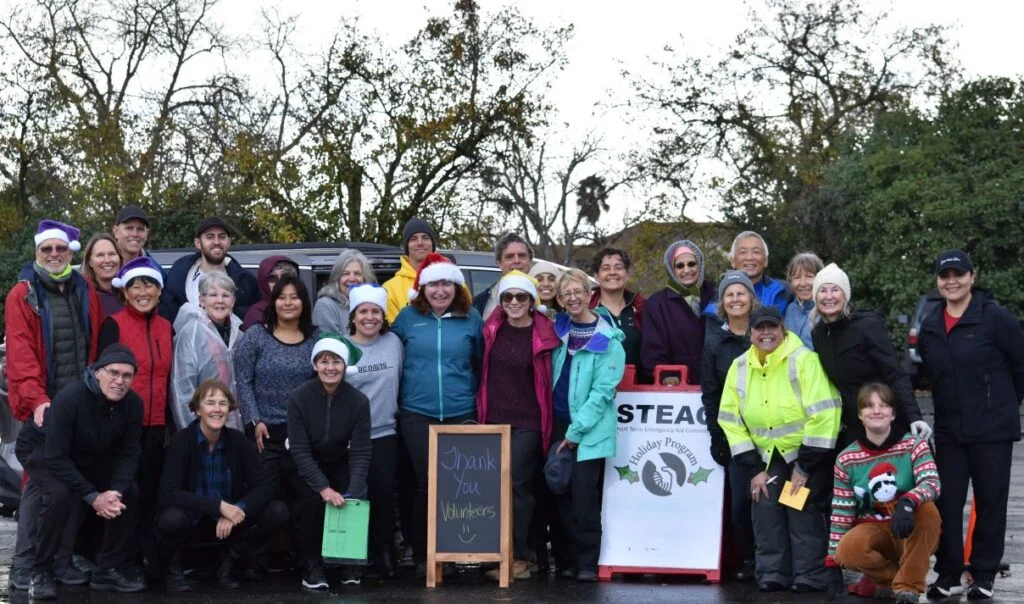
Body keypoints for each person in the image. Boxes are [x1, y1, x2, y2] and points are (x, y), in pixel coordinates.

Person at [917, 250, 1024, 600]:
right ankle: (947, 574)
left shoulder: (996, 318)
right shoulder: (931, 322)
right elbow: (923, 374)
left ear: (972, 277)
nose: (952, 281)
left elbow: (1020, 367)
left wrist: (1004, 405)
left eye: (958, 274)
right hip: (949, 429)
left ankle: (983, 575)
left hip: (992, 429)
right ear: (938, 281)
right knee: (946, 502)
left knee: (990, 502)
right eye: (945, 275)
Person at [717, 306, 841, 592]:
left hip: (804, 453)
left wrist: (805, 466)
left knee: (799, 507)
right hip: (765, 456)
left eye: (772, 327)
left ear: (782, 330)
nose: (766, 333)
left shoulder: (805, 361)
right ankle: (773, 574)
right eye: (759, 328)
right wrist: (754, 470)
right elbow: (730, 420)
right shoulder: (739, 367)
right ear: (750, 334)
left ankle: (809, 575)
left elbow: (825, 414)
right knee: (765, 506)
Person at [5, 219, 95, 592]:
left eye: (61, 249)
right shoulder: (23, 294)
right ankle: (23, 567)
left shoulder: (81, 288)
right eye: (47, 250)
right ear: (37, 253)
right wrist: (37, 401)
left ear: (71, 253)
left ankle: (59, 561)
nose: (55, 255)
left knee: (72, 485)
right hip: (43, 408)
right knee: (38, 489)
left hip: (78, 407)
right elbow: (22, 355)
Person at [23, 344, 145, 598]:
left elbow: (129, 453)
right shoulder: (71, 398)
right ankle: (41, 570)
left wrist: (114, 491)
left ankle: (108, 569)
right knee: (60, 495)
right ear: (98, 372)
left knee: (129, 492)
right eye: (113, 373)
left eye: (127, 375)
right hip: (43, 452)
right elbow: (56, 456)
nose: (119, 381)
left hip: (88, 455)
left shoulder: (133, 403)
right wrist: (92, 496)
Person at [391, 253, 484, 576]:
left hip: (462, 411)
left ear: (456, 287)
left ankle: (463, 550)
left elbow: (479, 361)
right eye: (433, 284)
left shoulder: (471, 318)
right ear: (422, 288)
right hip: (417, 412)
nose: (440, 291)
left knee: (462, 485)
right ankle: (421, 554)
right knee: (425, 485)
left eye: (446, 283)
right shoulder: (406, 318)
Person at [156, 379, 289, 592]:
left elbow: (264, 486)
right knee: (170, 519)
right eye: (210, 403)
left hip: (231, 523)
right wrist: (217, 506)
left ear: (229, 410)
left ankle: (229, 560)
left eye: (222, 403)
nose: (217, 409)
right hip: (194, 521)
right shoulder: (182, 441)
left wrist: (239, 509)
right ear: (198, 409)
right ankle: (174, 569)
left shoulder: (238, 441)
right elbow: (168, 493)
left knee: (277, 510)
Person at [826, 382, 942, 603]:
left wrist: (908, 502)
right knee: (846, 550)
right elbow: (842, 512)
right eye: (869, 406)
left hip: (911, 528)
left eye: (883, 405)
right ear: (860, 414)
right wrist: (832, 561)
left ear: (893, 413)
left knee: (928, 510)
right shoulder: (846, 459)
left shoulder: (914, 445)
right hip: (875, 531)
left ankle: (909, 588)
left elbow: (931, 482)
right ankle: (894, 580)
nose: (876, 410)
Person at [478, 271, 559, 580]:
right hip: (493, 419)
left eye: (521, 297)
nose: (514, 302)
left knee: (519, 487)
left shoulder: (545, 333)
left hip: (528, 421)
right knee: (494, 489)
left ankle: (522, 557)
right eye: (508, 297)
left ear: (531, 301)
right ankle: (498, 552)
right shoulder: (491, 330)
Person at [97, 256, 174, 579]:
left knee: (150, 496)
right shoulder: (113, 324)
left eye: (149, 285)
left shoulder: (166, 326)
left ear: (159, 290)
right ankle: (115, 562)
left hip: (156, 427)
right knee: (124, 495)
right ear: (124, 292)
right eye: (135, 286)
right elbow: (102, 377)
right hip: (121, 426)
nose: (143, 291)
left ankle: (146, 560)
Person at [552, 268, 625, 582]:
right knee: (559, 492)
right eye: (566, 293)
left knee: (583, 497)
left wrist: (575, 432)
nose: (573, 298)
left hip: (588, 430)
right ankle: (564, 560)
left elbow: (602, 394)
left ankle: (586, 563)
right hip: (556, 422)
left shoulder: (608, 340)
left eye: (578, 291)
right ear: (560, 299)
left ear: (588, 294)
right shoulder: (557, 330)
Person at [811, 263, 929, 450]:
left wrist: (915, 417)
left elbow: (895, 375)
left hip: (888, 421)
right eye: (822, 290)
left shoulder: (866, 327)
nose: (829, 296)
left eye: (835, 290)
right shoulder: (818, 335)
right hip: (855, 426)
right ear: (815, 296)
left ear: (846, 295)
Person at [288, 335, 372, 591]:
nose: (330, 367)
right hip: (306, 462)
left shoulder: (358, 401)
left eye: (336, 361)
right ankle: (312, 563)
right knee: (312, 501)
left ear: (345, 366)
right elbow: (300, 451)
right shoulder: (298, 398)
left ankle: (350, 560)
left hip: (339, 459)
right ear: (315, 366)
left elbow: (360, 451)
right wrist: (323, 488)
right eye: (324, 361)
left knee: (355, 495)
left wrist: (355, 489)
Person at [233, 274, 318, 496]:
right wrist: (255, 420)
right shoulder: (256, 335)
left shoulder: (316, 338)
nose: (288, 303)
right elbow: (243, 381)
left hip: (303, 432)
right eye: (281, 297)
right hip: (264, 432)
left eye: (294, 297)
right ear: (273, 302)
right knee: (266, 498)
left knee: (303, 498)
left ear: (304, 302)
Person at [700, 270, 759, 582]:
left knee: (775, 500)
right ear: (722, 302)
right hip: (735, 435)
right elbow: (710, 393)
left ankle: (773, 560)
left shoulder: (766, 332)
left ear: (751, 298)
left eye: (741, 293)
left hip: (772, 433)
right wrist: (717, 435)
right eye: (730, 294)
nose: (736, 299)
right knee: (740, 502)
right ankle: (748, 560)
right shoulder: (714, 340)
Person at [344, 283, 403, 580]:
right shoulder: (342, 347)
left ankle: (385, 553)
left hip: (385, 433)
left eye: (376, 312)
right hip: (350, 439)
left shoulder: (394, 342)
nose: (370, 317)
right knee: (355, 496)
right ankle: (355, 558)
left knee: (382, 497)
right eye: (363, 312)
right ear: (353, 316)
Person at [171, 272, 244, 431]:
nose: (220, 300)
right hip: (203, 425)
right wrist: (193, 430)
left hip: (234, 426)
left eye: (226, 295)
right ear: (202, 300)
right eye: (212, 295)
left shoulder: (239, 334)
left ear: (233, 301)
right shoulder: (191, 334)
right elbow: (182, 388)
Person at [641, 239, 716, 384]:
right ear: (671, 269)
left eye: (692, 264)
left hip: (716, 385)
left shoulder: (716, 296)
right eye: (680, 266)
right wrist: (667, 376)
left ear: (700, 265)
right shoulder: (656, 304)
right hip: (677, 388)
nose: (687, 270)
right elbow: (652, 349)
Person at [160, 216, 258, 322]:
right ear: (198, 243)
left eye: (221, 237)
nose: (216, 242)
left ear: (228, 242)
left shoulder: (245, 282)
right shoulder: (178, 275)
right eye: (210, 237)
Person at [706, 231, 790, 315]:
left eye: (756, 252)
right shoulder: (714, 298)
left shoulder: (784, 292)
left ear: (766, 261)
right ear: (732, 261)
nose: (750, 257)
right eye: (743, 252)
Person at [588, 247, 644, 368]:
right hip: (599, 386)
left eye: (618, 267)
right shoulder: (587, 311)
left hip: (639, 384)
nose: (612, 272)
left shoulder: (642, 309)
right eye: (606, 268)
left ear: (627, 274)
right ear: (597, 276)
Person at [383, 216, 439, 323]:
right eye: (413, 239)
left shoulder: (452, 281)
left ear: (432, 244)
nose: (420, 243)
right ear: (407, 246)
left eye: (425, 237)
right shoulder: (390, 289)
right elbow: (394, 332)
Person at [313, 249, 377, 334]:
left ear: (364, 278)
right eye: (346, 273)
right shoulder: (325, 305)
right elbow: (332, 344)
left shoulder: (373, 304)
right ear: (337, 278)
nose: (352, 279)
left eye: (357, 274)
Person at [473, 232, 534, 320]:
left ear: (530, 261)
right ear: (499, 263)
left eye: (522, 256)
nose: (516, 261)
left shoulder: (546, 296)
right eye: (509, 257)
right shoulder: (481, 303)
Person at [241, 255, 300, 331]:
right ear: (264, 283)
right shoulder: (256, 314)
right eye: (273, 279)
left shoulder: (299, 308)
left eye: (286, 277)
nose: (280, 283)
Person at [783, 252, 824, 349]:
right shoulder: (790, 309)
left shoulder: (827, 310)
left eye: (809, 276)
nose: (802, 283)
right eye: (797, 277)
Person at [81, 232, 125, 321]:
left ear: (119, 258)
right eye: (100, 255)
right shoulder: (82, 296)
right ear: (90, 262)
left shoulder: (130, 293)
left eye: (112, 254)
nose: (107, 260)